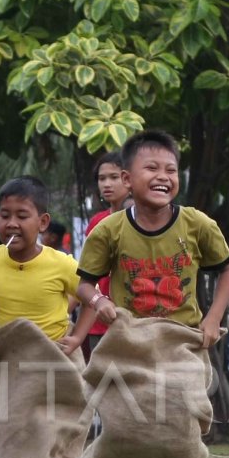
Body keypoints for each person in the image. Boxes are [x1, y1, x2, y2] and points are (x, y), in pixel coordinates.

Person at [76, 130, 229, 349]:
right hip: (128, 343)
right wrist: (99, 301)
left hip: (183, 343)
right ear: (127, 179)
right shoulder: (107, 230)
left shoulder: (198, 224)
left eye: (171, 170)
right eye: (152, 168)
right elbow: (84, 286)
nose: (163, 176)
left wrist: (214, 318)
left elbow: (228, 270)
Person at [0, 177, 95, 355]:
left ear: (42, 222)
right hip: (5, 356)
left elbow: (92, 297)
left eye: (22, 216)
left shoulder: (62, 263)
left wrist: (77, 337)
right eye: (5, 216)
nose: (12, 223)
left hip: (52, 358)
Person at [82, 151, 131, 359]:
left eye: (114, 177)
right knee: (101, 376)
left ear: (128, 178)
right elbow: (85, 274)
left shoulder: (145, 220)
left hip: (134, 319)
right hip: (100, 319)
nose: (107, 184)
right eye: (102, 179)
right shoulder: (96, 222)